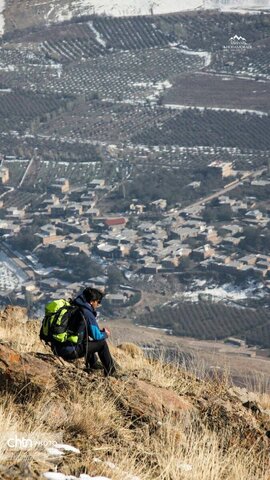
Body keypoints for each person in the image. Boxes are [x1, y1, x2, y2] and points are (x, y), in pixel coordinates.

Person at [53, 287, 117, 377]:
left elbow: (83, 330)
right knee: (101, 344)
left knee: (86, 338)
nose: (98, 304)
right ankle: (111, 372)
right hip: (69, 351)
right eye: (98, 302)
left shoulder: (74, 305)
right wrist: (105, 334)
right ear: (91, 301)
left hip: (57, 348)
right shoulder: (87, 313)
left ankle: (92, 365)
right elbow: (96, 336)